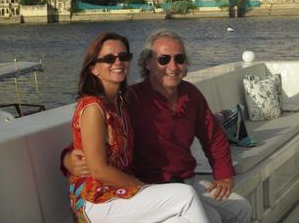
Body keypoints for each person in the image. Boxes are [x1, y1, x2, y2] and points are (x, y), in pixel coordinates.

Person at [64, 30, 252, 223]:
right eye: (163, 59)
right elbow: (88, 147)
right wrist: (67, 158)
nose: (172, 66)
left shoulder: (189, 95)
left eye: (179, 59)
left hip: (183, 182)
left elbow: (213, 137)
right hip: (146, 186)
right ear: (148, 63)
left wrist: (225, 176)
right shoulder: (132, 99)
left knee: (241, 209)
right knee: (210, 216)